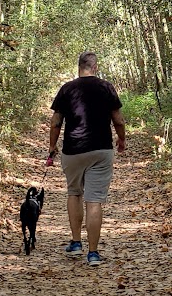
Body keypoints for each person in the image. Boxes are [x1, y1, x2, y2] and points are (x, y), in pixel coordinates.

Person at [46, 51, 126, 267]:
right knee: (95, 200)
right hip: (101, 150)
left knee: (74, 193)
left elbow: (55, 122)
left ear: (78, 67)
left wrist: (52, 147)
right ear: (95, 67)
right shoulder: (106, 87)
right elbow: (118, 119)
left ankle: (75, 243)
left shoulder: (67, 89)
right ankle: (93, 253)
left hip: (73, 150)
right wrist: (121, 140)